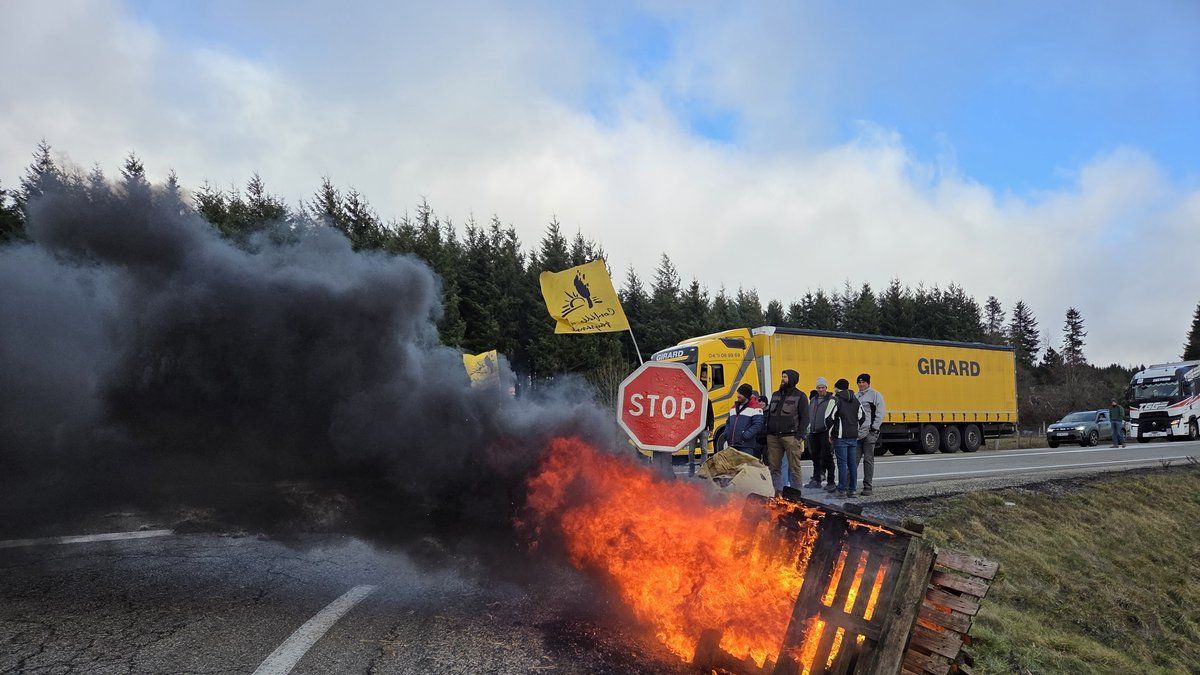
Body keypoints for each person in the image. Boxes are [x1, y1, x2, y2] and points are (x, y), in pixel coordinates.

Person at [764, 369, 810, 495]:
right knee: (774, 467)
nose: (782, 379)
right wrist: (767, 433)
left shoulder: (800, 396)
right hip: (773, 437)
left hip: (791, 436)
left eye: (785, 377)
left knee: (794, 467)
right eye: (782, 376)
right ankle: (778, 493)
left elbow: (805, 418)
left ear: (792, 379)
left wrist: (799, 436)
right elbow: (769, 415)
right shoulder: (775, 394)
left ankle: (797, 494)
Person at [826, 378, 866, 498]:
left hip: (840, 436)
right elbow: (862, 416)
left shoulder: (835, 399)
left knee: (842, 464)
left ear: (837, 388)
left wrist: (831, 433)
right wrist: (855, 428)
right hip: (853, 436)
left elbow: (828, 418)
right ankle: (852, 490)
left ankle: (841, 490)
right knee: (852, 464)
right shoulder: (855, 400)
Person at [855, 373, 886, 497]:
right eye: (859, 382)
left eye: (863, 382)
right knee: (854, 460)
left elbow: (880, 412)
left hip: (870, 433)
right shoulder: (855, 396)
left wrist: (874, 428)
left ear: (868, 383)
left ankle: (868, 487)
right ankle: (848, 486)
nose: (861, 384)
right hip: (857, 434)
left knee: (868, 460)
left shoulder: (875, 395)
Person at [806, 378, 836, 491]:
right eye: (818, 387)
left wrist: (831, 431)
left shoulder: (831, 400)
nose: (820, 389)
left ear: (826, 388)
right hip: (813, 432)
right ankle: (816, 480)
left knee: (827, 457)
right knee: (815, 457)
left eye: (823, 387)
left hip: (825, 432)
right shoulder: (813, 400)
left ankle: (831, 481)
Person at [687, 371, 716, 477]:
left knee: (704, 449)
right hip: (693, 430)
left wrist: (711, 429)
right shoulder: (692, 401)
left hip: (704, 429)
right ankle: (691, 467)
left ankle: (703, 468)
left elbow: (711, 416)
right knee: (691, 451)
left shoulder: (708, 402)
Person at [724, 383, 764, 455]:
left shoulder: (756, 408)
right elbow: (728, 423)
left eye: (740, 394)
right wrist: (726, 434)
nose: (737, 396)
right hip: (732, 445)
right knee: (734, 466)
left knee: (745, 466)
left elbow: (758, 425)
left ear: (746, 395)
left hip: (746, 446)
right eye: (738, 393)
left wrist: (744, 436)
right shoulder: (733, 407)